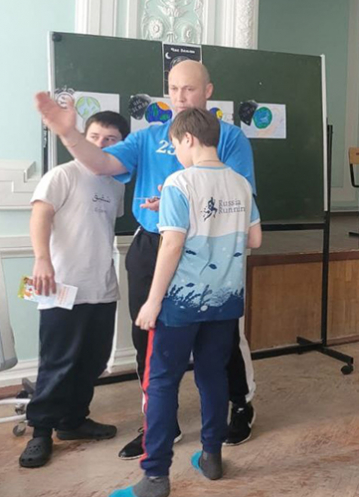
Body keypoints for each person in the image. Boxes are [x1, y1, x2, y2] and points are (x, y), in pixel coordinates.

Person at [34, 60, 259, 458]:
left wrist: (179, 208)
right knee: (148, 336)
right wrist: (69, 134)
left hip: (210, 246)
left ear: (208, 91)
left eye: (189, 89)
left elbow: (237, 197)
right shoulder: (149, 136)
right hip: (152, 244)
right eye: (173, 89)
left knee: (220, 336)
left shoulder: (230, 137)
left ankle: (239, 405)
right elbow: (101, 163)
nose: (179, 97)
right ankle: (160, 422)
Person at [110, 108, 262, 497]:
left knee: (161, 381)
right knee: (212, 376)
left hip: (181, 304)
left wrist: (152, 301)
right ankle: (212, 457)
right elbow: (255, 239)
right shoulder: (241, 184)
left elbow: (172, 245)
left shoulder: (180, 181)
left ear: (189, 139)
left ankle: (155, 477)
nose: (176, 152)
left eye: (176, 145)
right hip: (225, 302)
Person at [19, 111, 130, 468]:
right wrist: (42, 259)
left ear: (122, 145)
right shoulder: (63, 175)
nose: (100, 144)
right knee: (58, 362)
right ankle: (40, 431)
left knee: (93, 360)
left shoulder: (116, 184)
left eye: (110, 140)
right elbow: (40, 215)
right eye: (94, 136)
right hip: (60, 285)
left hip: (102, 287)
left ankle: (73, 421)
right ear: (83, 136)